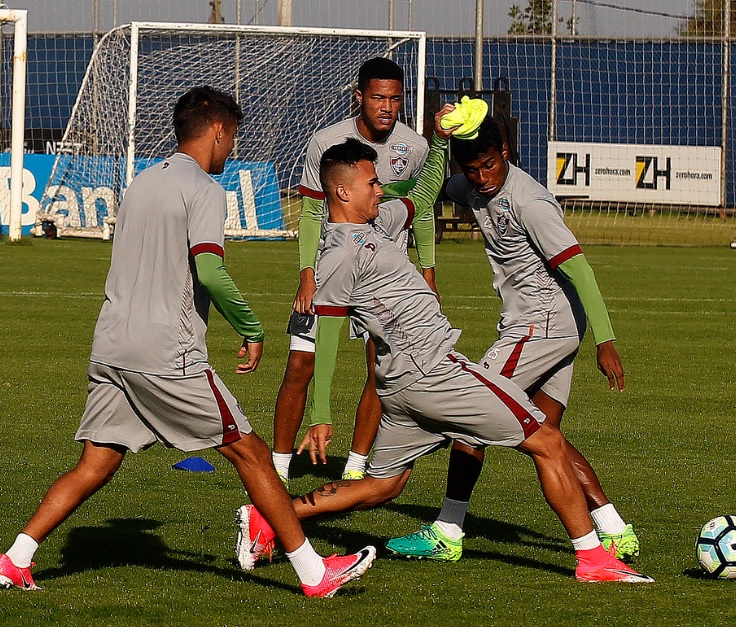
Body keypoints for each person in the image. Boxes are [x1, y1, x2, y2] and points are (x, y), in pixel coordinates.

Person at [0, 87, 374, 598]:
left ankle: (15, 559)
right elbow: (210, 270)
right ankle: (313, 572)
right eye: (232, 136)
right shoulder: (205, 190)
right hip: (167, 352)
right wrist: (251, 328)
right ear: (217, 130)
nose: (232, 148)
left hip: (112, 345)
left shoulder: (143, 182)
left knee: (96, 462)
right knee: (252, 454)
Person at [235, 135, 653, 584]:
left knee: (382, 487)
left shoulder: (377, 221)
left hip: (400, 386)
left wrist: (437, 141)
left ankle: (266, 519)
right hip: (436, 374)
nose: (381, 190)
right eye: (373, 183)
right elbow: (330, 335)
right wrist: (320, 413)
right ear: (343, 192)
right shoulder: (337, 255)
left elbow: (421, 194)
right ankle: (592, 557)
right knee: (547, 441)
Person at [384, 115, 638, 563]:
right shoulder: (471, 185)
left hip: (539, 324)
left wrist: (607, 340)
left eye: (488, 166)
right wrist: (441, 144)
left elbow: (580, 269)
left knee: (470, 415)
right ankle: (614, 529)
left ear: (505, 152)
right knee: (546, 433)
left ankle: (447, 529)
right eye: (471, 170)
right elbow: (430, 193)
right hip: (549, 325)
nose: (481, 179)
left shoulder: (531, 201)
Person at [275, 56, 434, 484]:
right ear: (359, 96)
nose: (387, 106)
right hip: (331, 266)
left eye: (396, 99)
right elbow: (310, 213)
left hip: (383, 273)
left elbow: (420, 210)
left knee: (379, 371)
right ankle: (279, 465)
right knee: (299, 365)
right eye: (379, 97)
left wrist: (428, 266)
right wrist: (307, 272)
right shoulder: (325, 142)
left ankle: (356, 468)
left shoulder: (415, 147)